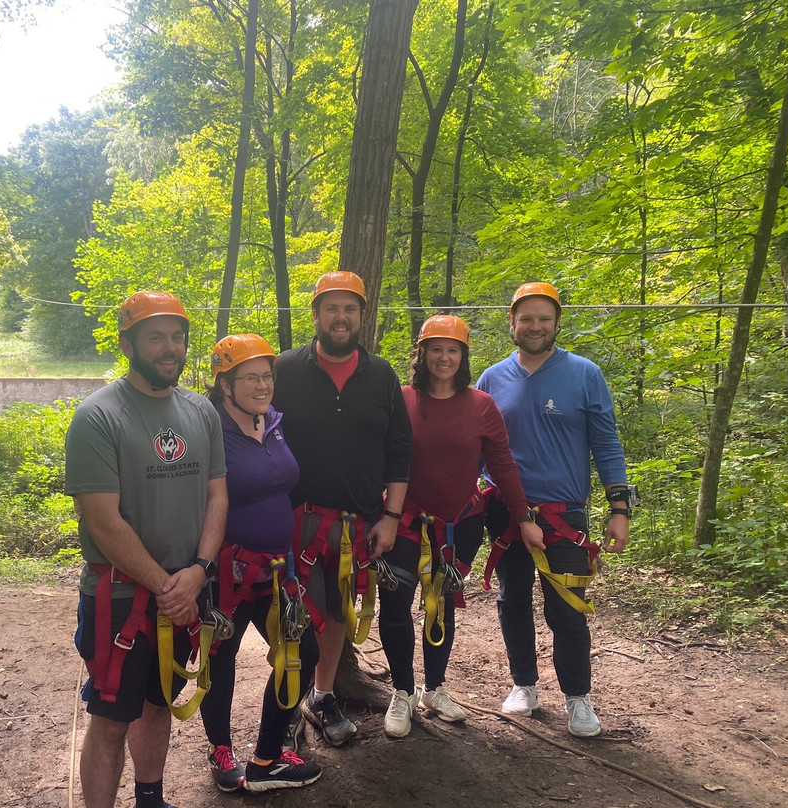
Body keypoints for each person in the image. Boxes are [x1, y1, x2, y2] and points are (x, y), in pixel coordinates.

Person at [65, 291, 228, 808]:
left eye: (177, 337)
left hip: (185, 589)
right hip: (121, 598)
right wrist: (167, 587)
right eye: (155, 337)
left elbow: (216, 495)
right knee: (112, 720)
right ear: (128, 342)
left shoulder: (201, 411)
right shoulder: (98, 417)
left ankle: (150, 798)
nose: (170, 348)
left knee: (160, 703)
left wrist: (200, 571)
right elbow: (102, 521)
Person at [475, 281, 631, 738]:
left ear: (557, 323)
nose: (535, 326)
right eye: (526, 318)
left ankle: (578, 696)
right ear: (512, 323)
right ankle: (524, 684)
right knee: (511, 600)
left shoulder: (584, 374)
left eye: (544, 318)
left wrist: (618, 506)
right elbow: (475, 449)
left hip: (564, 513)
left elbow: (606, 442)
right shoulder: (491, 379)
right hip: (504, 511)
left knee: (567, 607)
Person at [377, 315, 542, 738]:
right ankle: (402, 692)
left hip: (459, 526)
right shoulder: (402, 400)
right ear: (422, 354)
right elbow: (381, 457)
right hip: (407, 521)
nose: (444, 357)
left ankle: (435, 688)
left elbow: (503, 466)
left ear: (463, 356)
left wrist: (523, 518)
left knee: (442, 604)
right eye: (436, 349)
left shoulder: (481, 406)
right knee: (396, 607)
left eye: (452, 350)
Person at [271, 270, 413, 747]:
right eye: (331, 307)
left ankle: (323, 694)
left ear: (361, 316)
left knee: (336, 614)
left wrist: (391, 517)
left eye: (349, 308)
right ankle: (284, 709)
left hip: (357, 522)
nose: (340, 317)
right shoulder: (284, 369)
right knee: (294, 616)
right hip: (295, 519)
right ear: (315, 315)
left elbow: (400, 450)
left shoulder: (382, 375)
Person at [198, 333, 323, 793]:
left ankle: (267, 756)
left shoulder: (273, 422)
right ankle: (219, 748)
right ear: (224, 384)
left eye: (266, 375)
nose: (261, 384)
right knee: (221, 657)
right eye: (248, 377)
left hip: (277, 569)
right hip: (228, 571)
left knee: (301, 653)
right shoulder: (209, 428)